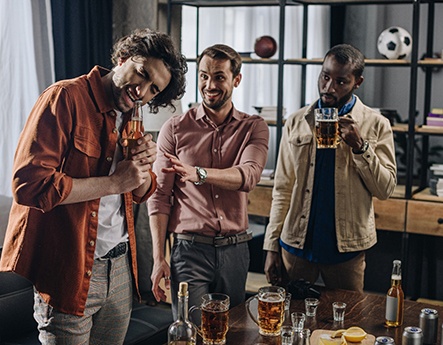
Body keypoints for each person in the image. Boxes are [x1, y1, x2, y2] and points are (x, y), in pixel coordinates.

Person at [0, 28, 187, 344]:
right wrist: (115, 182)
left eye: (153, 89)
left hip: (120, 270)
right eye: (141, 74)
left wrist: (143, 165)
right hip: (69, 271)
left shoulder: (131, 115)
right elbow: (30, 185)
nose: (141, 91)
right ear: (123, 57)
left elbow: (141, 193)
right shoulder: (65, 98)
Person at [263, 44, 397, 293]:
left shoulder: (377, 124)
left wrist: (360, 146)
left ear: (357, 82)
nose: (328, 88)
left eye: (340, 81)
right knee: (293, 322)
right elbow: (282, 189)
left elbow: (385, 188)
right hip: (296, 247)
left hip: (346, 251)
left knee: (347, 324)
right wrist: (271, 247)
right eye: (325, 76)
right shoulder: (296, 121)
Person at [148, 44, 269, 317]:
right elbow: (159, 197)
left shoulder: (254, 127)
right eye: (203, 76)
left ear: (236, 80)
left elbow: (249, 175)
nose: (209, 84)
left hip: (235, 251)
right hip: (189, 251)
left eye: (219, 77)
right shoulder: (175, 129)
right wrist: (158, 258)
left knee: (232, 332)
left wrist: (199, 174)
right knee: (190, 333)